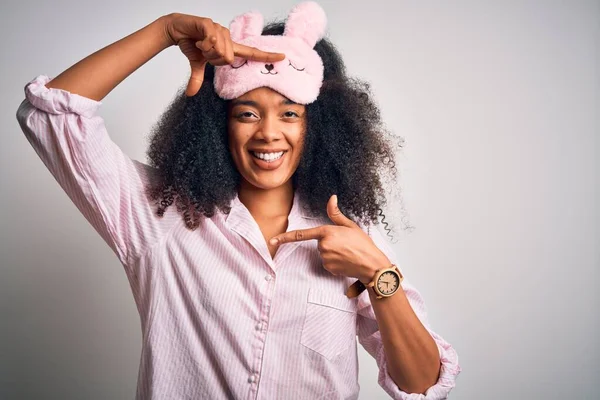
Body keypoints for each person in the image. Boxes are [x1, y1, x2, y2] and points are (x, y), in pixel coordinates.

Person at [15, 2, 461, 399]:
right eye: (247, 113)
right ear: (217, 125)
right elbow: (51, 115)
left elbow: (422, 384)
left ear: (318, 127)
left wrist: (378, 273)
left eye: (290, 113)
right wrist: (165, 30)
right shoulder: (157, 216)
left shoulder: (354, 232)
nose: (268, 132)